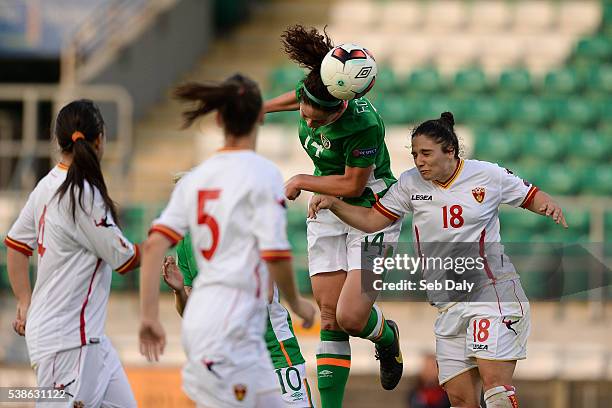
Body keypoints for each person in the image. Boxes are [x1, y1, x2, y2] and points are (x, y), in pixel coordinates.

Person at [309, 112, 568, 408]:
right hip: (448, 306)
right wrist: (334, 203)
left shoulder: (487, 175)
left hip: (491, 294)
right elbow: (371, 220)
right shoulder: (409, 184)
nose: (419, 160)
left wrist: (548, 206)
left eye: (426, 153)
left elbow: (530, 195)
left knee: (496, 392)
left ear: (450, 152)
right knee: (460, 401)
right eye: (415, 154)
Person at [138, 74, 316, 408]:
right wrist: (297, 302)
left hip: (203, 326)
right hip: (246, 320)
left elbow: (152, 247)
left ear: (218, 119)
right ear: (259, 117)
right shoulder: (262, 174)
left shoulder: (194, 181)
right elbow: (275, 253)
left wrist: (149, 317)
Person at [264, 25, 403, 406]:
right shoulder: (320, 89)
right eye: (305, 116)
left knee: (352, 318)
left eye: (317, 121)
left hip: (373, 210)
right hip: (327, 204)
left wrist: (305, 181)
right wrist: (259, 109)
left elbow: (355, 187)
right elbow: (298, 99)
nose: (308, 122)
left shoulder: (363, 125)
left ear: (339, 108)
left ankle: (387, 337)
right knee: (329, 316)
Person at [4, 99, 139, 407]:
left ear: (58, 140)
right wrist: (167, 235)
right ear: (100, 139)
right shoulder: (83, 193)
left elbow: (15, 247)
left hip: (88, 339)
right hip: (67, 342)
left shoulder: (48, 185)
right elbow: (126, 259)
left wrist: (26, 302)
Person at [161, 178, 315, 407]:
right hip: (230, 356)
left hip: (273, 348)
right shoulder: (185, 245)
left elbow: (265, 296)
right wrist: (179, 293)